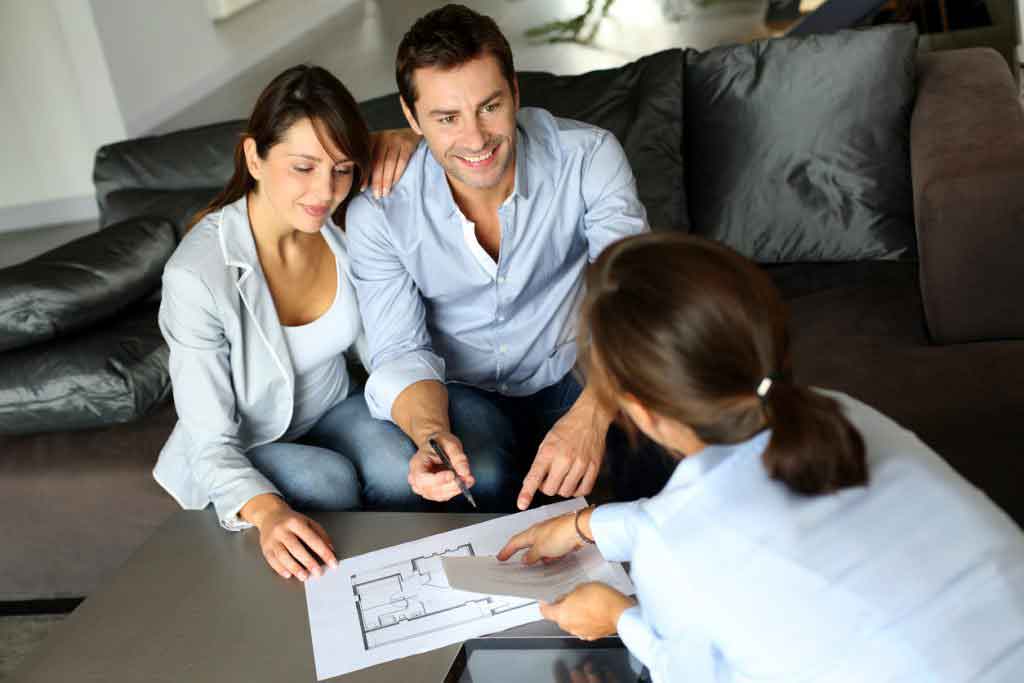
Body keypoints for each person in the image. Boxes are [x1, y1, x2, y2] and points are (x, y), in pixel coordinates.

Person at [498, 233, 1024, 682]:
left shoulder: (676, 552)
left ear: (638, 410)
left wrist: (619, 617)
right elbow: (722, 512)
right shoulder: (841, 413)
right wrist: (587, 526)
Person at [346, 4, 649, 513]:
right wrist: (431, 434)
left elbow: (637, 303)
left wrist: (592, 415)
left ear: (515, 92)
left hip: (574, 367)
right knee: (474, 478)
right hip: (462, 389)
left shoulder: (588, 157)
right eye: (446, 118)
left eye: (490, 107)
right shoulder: (379, 211)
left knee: (666, 446)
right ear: (410, 116)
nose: (475, 139)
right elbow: (398, 348)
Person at [154, 65, 422, 583]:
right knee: (328, 481)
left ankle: (412, 590)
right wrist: (268, 513)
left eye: (342, 168)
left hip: (331, 407)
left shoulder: (344, 217)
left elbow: (450, 144)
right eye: (303, 168)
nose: (325, 190)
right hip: (242, 442)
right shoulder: (195, 275)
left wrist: (402, 139)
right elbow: (210, 441)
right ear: (254, 156)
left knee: (400, 466)